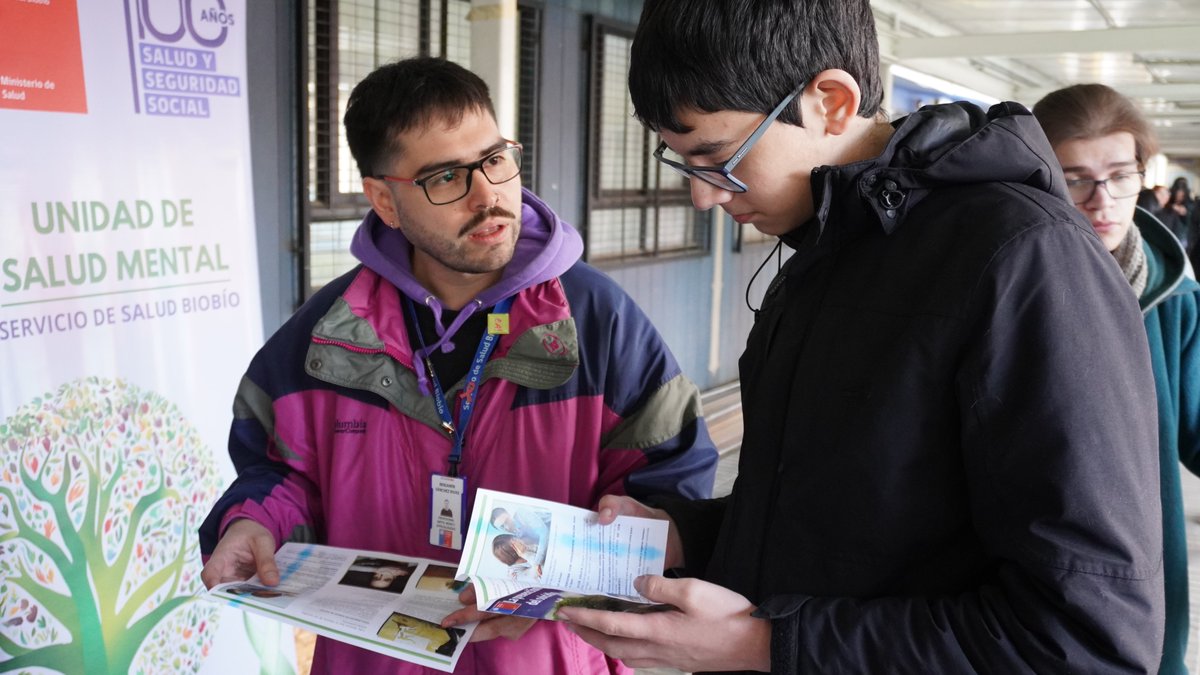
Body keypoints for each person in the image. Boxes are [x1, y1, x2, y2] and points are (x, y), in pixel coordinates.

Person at [555, 1, 1165, 673]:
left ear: (832, 102)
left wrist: (765, 643)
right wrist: (685, 535)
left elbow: (1086, 637)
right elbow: (845, 522)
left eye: (718, 157)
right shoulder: (819, 261)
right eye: (686, 163)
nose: (705, 197)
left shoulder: (1025, 261)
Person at [198, 56, 718, 674]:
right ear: (384, 201)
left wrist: (562, 585)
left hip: (544, 659)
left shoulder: (595, 321)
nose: (490, 195)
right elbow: (278, 474)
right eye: (446, 177)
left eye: (495, 160)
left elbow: (669, 487)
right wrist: (251, 523)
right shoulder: (326, 337)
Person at [1033, 83, 1200, 675]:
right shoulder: (1004, 287)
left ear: (1142, 174)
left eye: (1120, 175)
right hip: (1020, 568)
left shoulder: (1174, 296)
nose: (1101, 201)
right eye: (1074, 177)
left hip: (1138, 568)